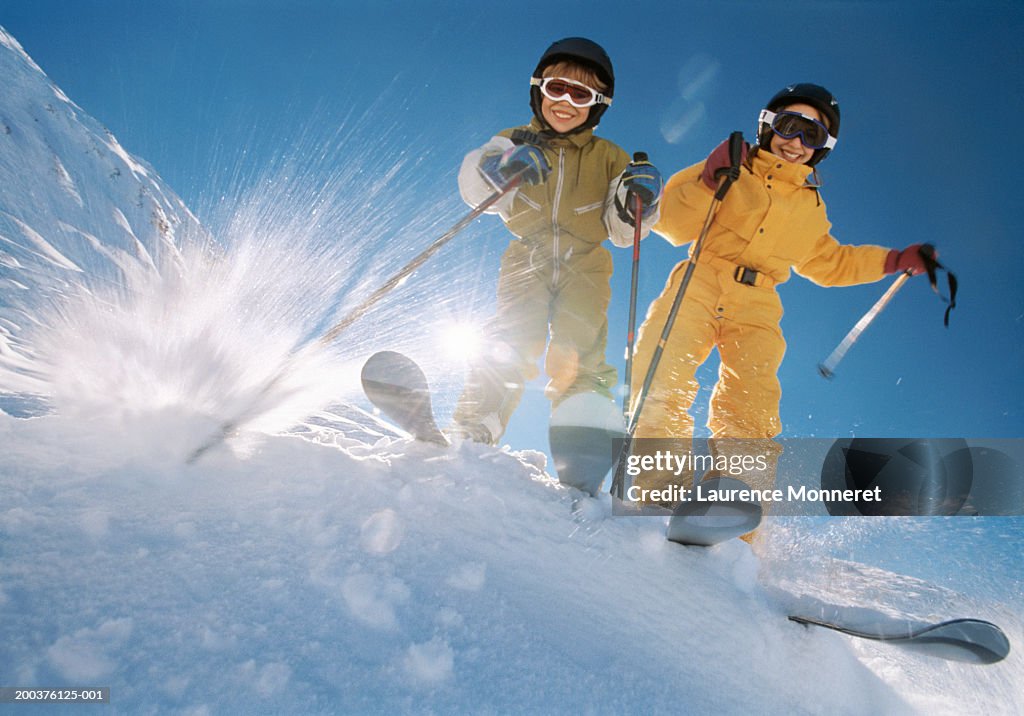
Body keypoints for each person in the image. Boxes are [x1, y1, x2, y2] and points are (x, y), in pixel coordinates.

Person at [628, 83, 929, 528]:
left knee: (752, 400)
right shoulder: (733, 165)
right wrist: (709, 180)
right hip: (699, 278)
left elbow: (831, 263)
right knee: (660, 372)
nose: (797, 143)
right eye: (790, 127)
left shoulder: (811, 209)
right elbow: (671, 223)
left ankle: (733, 507)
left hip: (759, 301)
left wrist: (892, 260)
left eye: (813, 137)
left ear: (821, 150)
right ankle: (658, 493)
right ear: (769, 127)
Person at [449, 37, 663, 445]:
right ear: (537, 90)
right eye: (555, 88)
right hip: (526, 256)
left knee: (579, 345)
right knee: (511, 337)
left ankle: (583, 436)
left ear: (596, 104)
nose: (564, 100)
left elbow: (622, 232)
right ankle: (478, 422)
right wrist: (503, 167)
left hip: (586, 262)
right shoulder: (514, 140)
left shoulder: (611, 157)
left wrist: (639, 201)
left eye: (579, 93)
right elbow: (474, 187)